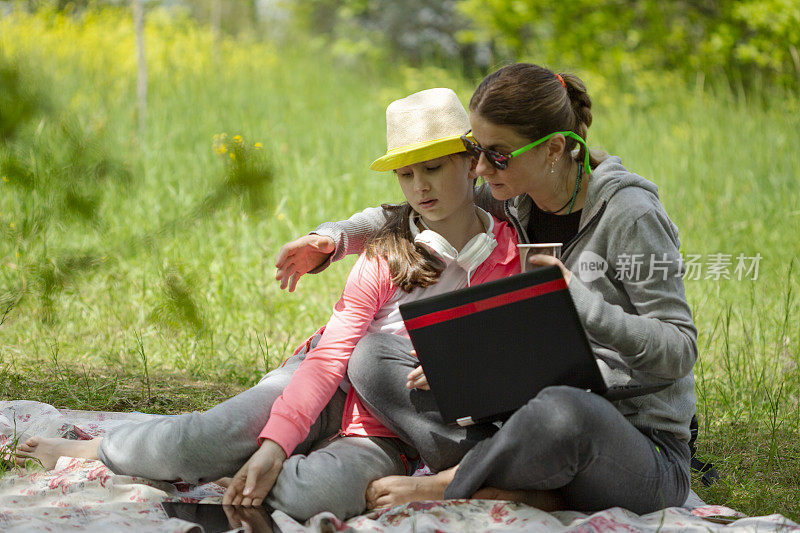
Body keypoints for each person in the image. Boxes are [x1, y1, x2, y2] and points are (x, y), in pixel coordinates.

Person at [15, 88, 520, 521]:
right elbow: (328, 359)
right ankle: (102, 449)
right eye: (406, 175)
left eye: (433, 168)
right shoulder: (385, 252)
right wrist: (276, 443)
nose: (420, 187)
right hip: (327, 380)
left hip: (388, 425)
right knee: (200, 439)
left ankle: (256, 463)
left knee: (310, 494)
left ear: (471, 161)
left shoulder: (510, 255)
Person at [275, 63, 697, 514]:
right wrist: (336, 239)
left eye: (496, 154)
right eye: (476, 149)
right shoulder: (512, 192)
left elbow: (678, 348)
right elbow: (410, 211)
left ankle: (452, 482)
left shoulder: (631, 215)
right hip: (522, 411)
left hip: (629, 443)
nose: (477, 167)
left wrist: (583, 304)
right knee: (374, 356)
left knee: (564, 411)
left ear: (553, 149)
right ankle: (521, 485)